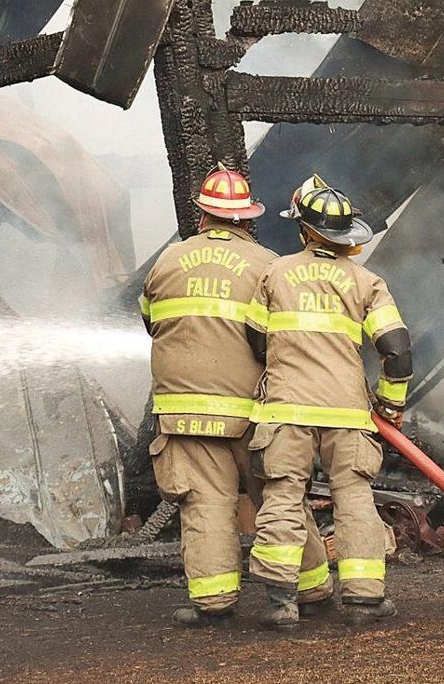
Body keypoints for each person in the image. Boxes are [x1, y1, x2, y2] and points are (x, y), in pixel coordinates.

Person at [140, 165, 332, 626]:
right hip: (256, 411)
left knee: (204, 503)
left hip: (185, 413)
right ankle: (312, 590)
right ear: (247, 218)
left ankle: (214, 603)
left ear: (203, 215)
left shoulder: (166, 261)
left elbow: (149, 321)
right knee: (280, 499)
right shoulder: (269, 264)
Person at [245, 177, 412, 630]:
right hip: (347, 411)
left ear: (304, 230)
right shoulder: (368, 282)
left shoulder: (274, 273)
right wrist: (390, 405)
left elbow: (256, 341)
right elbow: (396, 349)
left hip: (286, 410)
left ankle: (282, 602)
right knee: (355, 497)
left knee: (282, 496)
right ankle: (363, 598)